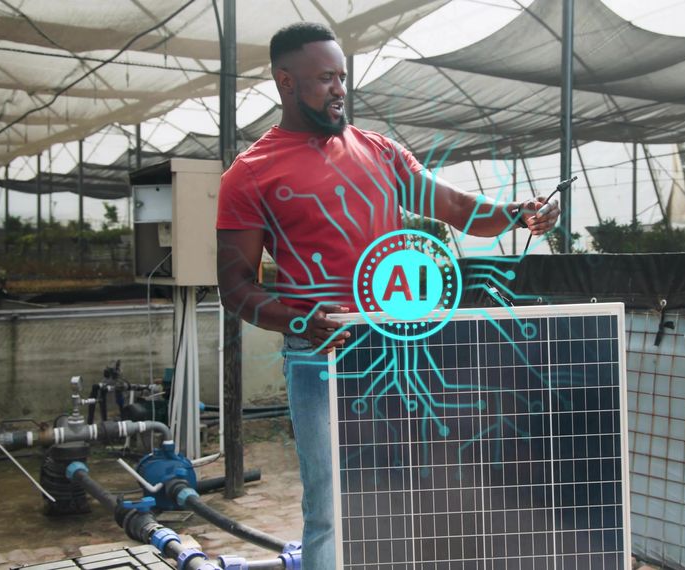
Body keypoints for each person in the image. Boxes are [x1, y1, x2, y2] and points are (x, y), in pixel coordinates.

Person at [215, 22, 561, 569]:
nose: (339, 89)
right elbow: (234, 287)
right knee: (332, 508)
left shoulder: (378, 150)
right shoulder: (250, 174)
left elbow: (455, 207)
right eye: (325, 78)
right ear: (286, 82)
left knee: (413, 496)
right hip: (320, 358)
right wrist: (300, 322)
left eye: (342, 77)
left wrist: (518, 212)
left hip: (402, 348)